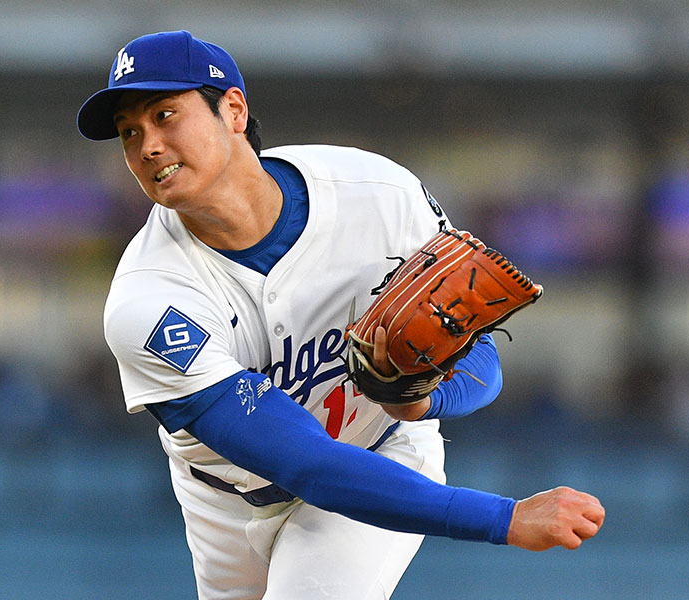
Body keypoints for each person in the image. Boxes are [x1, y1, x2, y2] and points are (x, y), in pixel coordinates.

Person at [77, 30, 605, 600]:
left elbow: (482, 361)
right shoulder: (147, 302)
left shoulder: (377, 194)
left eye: (165, 114)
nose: (148, 145)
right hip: (222, 504)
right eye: (131, 132)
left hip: (380, 453)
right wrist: (502, 518)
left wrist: (424, 398)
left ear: (232, 109)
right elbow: (303, 461)